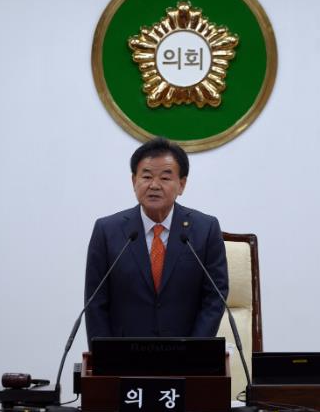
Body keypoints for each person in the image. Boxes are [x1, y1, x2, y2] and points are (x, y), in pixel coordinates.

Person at [84, 137, 228, 344]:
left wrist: (194, 351)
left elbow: (215, 297)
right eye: (146, 176)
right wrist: (105, 356)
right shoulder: (107, 231)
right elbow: (95, 302)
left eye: (165, 178)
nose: (154, 185)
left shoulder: (206, 229)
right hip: (124, 356)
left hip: (186, 355)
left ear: (181, 184)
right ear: (134, 181)